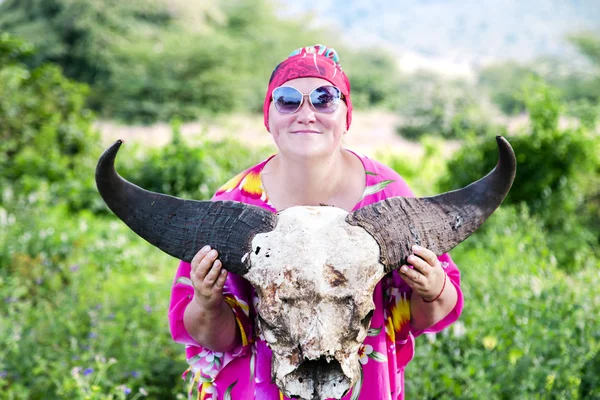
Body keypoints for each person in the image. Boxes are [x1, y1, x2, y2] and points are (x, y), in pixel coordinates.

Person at [168, 44, 463, 400]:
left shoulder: (386, 194)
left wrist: (432, 288)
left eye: (324, 98)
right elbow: (214, 333)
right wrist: (207, 302)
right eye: (288, 99)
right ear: (269, 117)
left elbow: (423, 313)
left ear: (346, 115)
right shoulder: (233, 202)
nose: (306, 113)